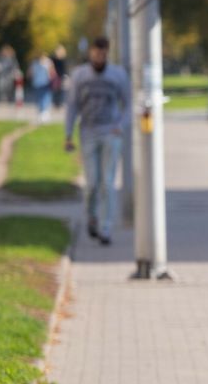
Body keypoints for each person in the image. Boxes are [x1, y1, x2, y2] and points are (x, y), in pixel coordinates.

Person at [64, 37, 131, 245]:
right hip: (88, 133)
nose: (98, 57)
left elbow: (128, 103)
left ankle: (106, 227)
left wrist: (120, 126)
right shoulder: (80, 75)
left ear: (107, 53)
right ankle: (92, 216)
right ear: (90, 53)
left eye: (102, 54)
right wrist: (68, 134)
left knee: (108, 183)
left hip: (110, 133)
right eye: (95, 53)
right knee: (92, 183)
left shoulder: (117, 75)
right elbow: (72, 106)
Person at [27, 52, 56, 124]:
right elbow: (30, 72)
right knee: (40, 97)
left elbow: (52, 72)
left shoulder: (47, 62)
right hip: (38, 83)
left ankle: (45, 112)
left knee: (45, 97)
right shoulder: (35, 63)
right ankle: (42, 112)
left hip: (45, 83)